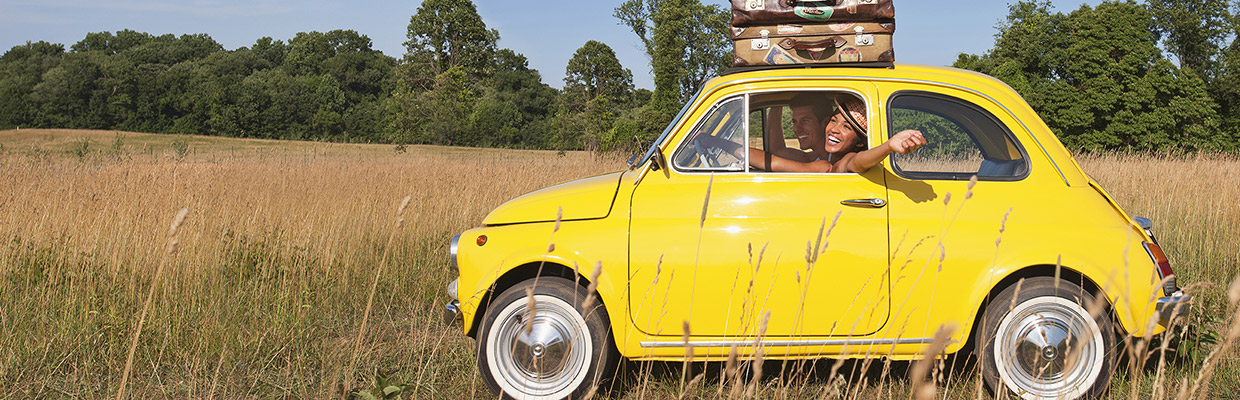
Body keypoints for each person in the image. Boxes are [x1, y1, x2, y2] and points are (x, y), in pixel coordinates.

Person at [696, 94, 925, 173]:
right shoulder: (816, 159)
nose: (835, 128)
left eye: (847, 127)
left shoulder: (833, 164)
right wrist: (778, 102)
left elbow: (857, 163)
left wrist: (887, 146)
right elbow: (776, 152)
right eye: (835, 121)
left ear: (858, 141)